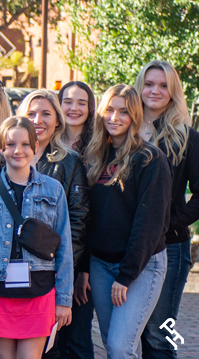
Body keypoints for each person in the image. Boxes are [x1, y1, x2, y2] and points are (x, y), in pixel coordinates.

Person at [0, 90, 91, 359]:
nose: (38, 119)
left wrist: (60, 281)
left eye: (46, 113)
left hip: (42, 279)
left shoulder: (63, 171)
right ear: (2, 146)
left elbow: (74, 225)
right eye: (31, 113)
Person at [83, 85, 171, 359]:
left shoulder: (149, 159)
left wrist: (126, 275)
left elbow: (149, 223)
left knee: (121, 348)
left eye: (123, 111)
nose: (114, 117)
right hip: (100, 265)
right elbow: (89, 218)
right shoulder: (95, 157)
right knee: (114, 345)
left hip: (140, 267)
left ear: (134, 116)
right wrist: (85, 267)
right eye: (109, 110)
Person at [134, 61, 199, 359]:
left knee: (160, 338)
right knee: (130, 333)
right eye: (149, 84)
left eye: (163, 86)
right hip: (125, 247)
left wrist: (167, 223)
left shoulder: (187, 137)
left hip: (170, 247)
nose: (155, 91)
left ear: (173, 92)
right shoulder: (122, 131)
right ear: (140, 86)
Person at [59, 82, 95, 152]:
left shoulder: (100, 144)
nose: (74, 108)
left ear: (90, 108)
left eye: (81, 103)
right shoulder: (48, 142)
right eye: (68, 102)